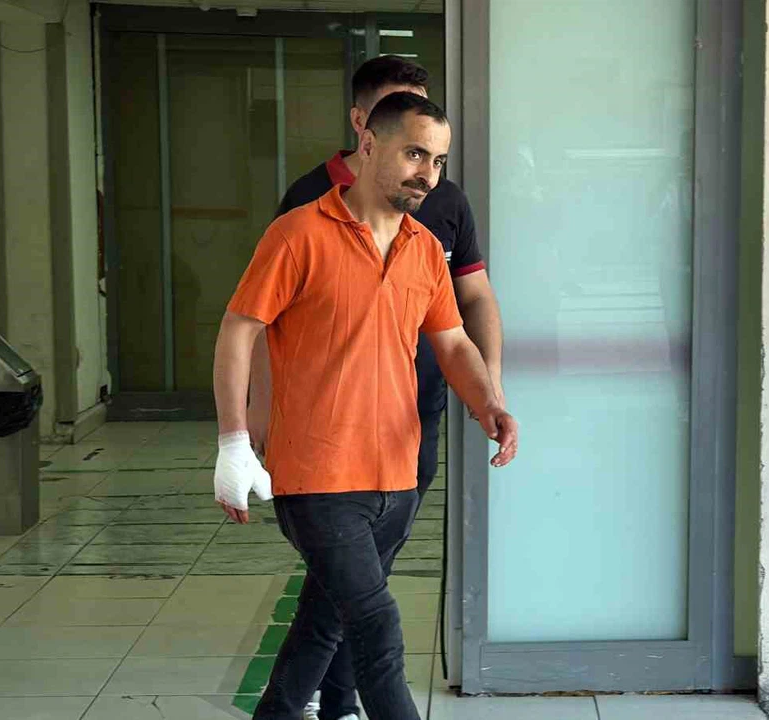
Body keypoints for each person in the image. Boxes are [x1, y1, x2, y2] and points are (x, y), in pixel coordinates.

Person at [212, 91, 517, 720]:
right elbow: (239, 330)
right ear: (369, 144)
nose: (427, 173)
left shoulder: (424, 247)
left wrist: (488, 402)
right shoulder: (298, 234)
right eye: (414, 154)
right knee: (376, 625)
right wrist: (234, 441)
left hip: (396, 473)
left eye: (438, 160)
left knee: (323, 621)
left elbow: (452, 341)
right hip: (318, 476)